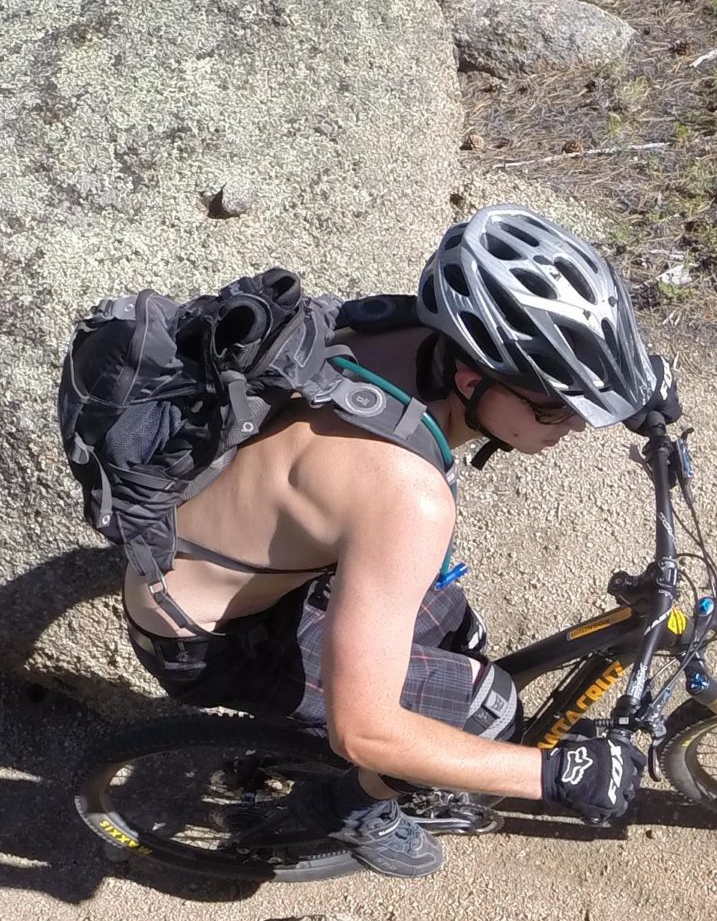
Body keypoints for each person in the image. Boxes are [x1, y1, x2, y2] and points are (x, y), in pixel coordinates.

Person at [120, 206, 665, 878]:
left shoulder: (398, 325)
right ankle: (345, 806)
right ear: (472, 380)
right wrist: (552, 774)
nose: (575, 427)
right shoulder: (407, 499)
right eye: (559, 406)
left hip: (242, 556)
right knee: (486, 710)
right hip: (212, 638)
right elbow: (365, 728)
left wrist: (626, 389)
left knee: (458, 631)